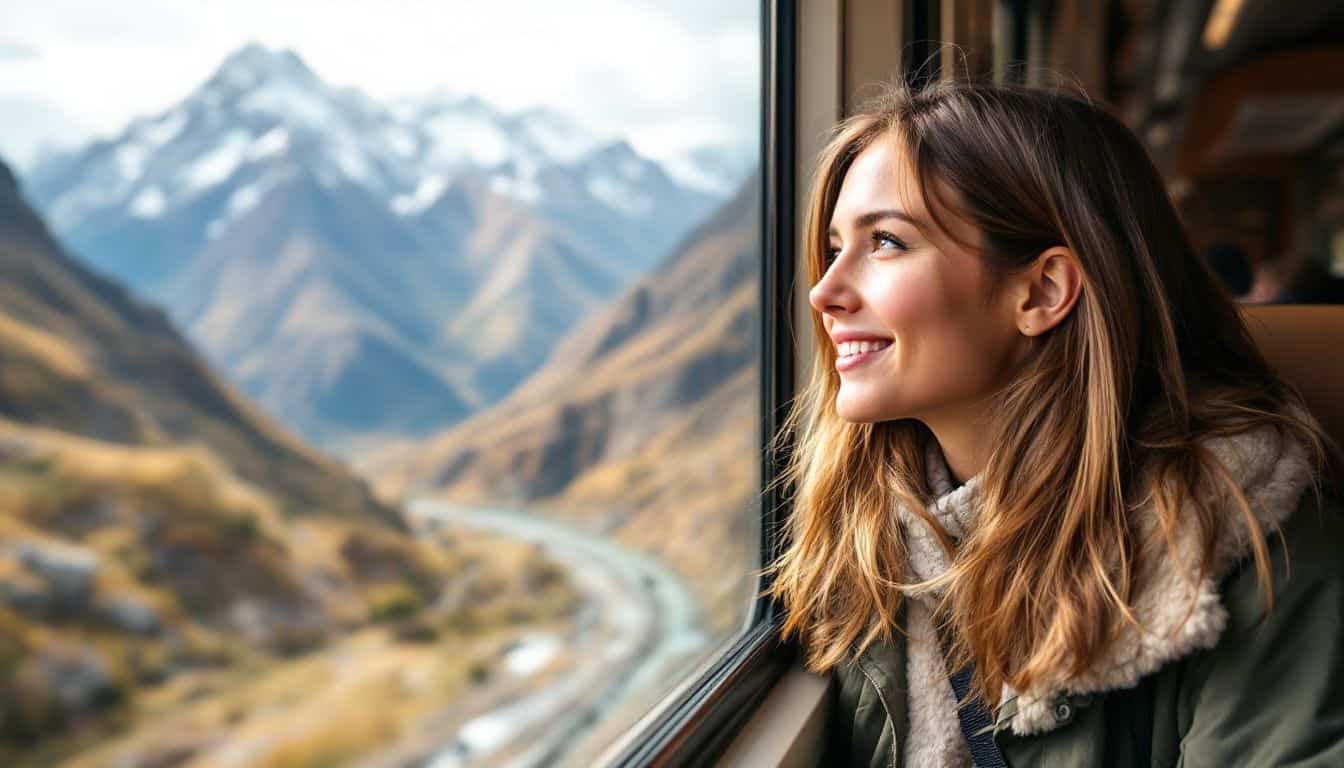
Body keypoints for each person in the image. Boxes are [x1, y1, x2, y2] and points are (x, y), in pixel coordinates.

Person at [767, 80, 1344, 767]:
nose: (824, 290)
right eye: (835, 247)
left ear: (1041, 292)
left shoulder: (1262, 562)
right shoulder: (863, 550)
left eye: (886, 242)